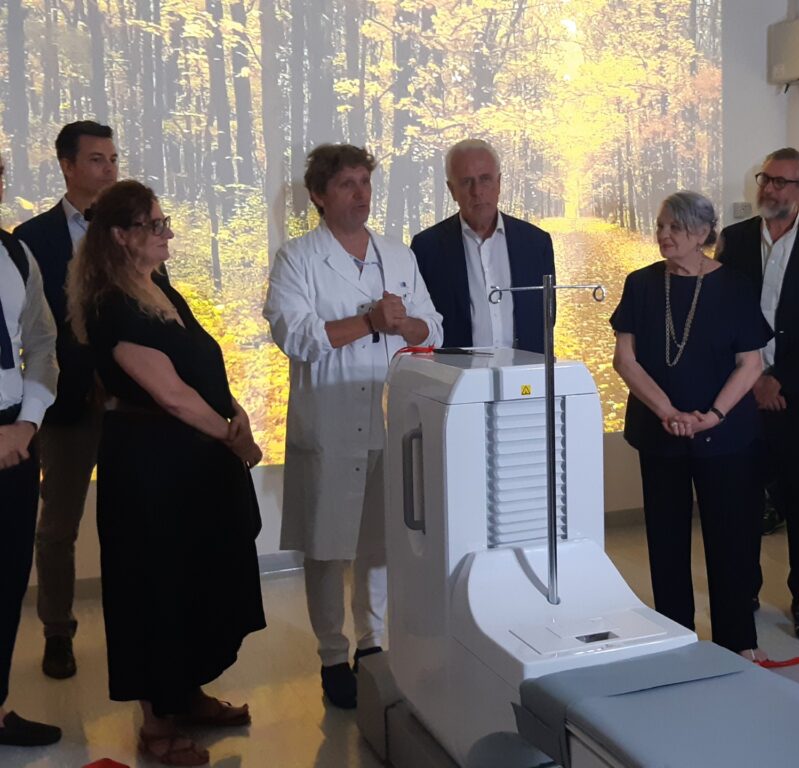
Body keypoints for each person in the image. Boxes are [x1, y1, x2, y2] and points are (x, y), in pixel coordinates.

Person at [67, 180, 265, 766]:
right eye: (154, 225)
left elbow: (199, 369)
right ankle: (155, 725)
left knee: (194, 580)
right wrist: (232, 436)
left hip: (192, 466)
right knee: (155, 587)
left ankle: (188, 695)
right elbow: (172, 395)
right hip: (151, 470)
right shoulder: (111, 305)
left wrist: (234, 412)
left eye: (164, 221)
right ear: (121, 237)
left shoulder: (158, 287)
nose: (167, 232)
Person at [264, 144, 442, 708]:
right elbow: (295, 336)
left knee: (380, 543)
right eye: (347, 184)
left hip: (392, 419)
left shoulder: (398, 255)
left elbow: (432, 326)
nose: (361, 194)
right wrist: (369, 321)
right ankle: (331, 655)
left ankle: (372, 643)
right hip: (331, 422)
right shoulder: (297, 259)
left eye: (365, 182)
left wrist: (406, 323)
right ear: (319, 195)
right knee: (326, 546)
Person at [611, 191, 770, 660]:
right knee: (665, 540)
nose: (663, 235)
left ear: (702, 233)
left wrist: (714, 415)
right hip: (659, 432)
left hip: (725, 433)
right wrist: (668, 412)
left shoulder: (735, 286)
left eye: (675, 228)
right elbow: (625, 359)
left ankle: (737, 642)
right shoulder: (641, 283)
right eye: (661, 225)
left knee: (730, 539)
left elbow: (751, 363)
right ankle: (674, 639)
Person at [717, 148, 799, 623]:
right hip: (741, 394)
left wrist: (777, 379)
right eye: (765, 179)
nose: (769, 189)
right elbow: (724, 318)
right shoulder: (734, 240)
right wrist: (753, 381)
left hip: (798, 396)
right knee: (742, 499)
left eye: (781, 182)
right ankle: (743, 590)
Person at [13, 121, 118, 680]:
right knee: (57, 526)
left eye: (113, 158)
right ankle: (57, 631)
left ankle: (135, 624)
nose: (109, 168)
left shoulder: (130, 227)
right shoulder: (31, 238)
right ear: (67, 166)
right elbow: (34, 329)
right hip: (65, 403)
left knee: (134, 518)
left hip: (131, 400)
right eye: (97, 159)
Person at [0, 155, 61, 749]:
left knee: (8, 577)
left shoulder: (16, 254)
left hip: (16, 434)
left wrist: (26, 423)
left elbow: (42, 343)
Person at [411, 139, 555, 353]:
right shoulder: (427, 248)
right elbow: (423, 324)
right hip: (456, 372)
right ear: (452, 190)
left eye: (485, 179)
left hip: (525, 371)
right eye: (466, 182)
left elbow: (547, 319)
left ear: (499, 183)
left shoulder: (536, 243)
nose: (477, 191)